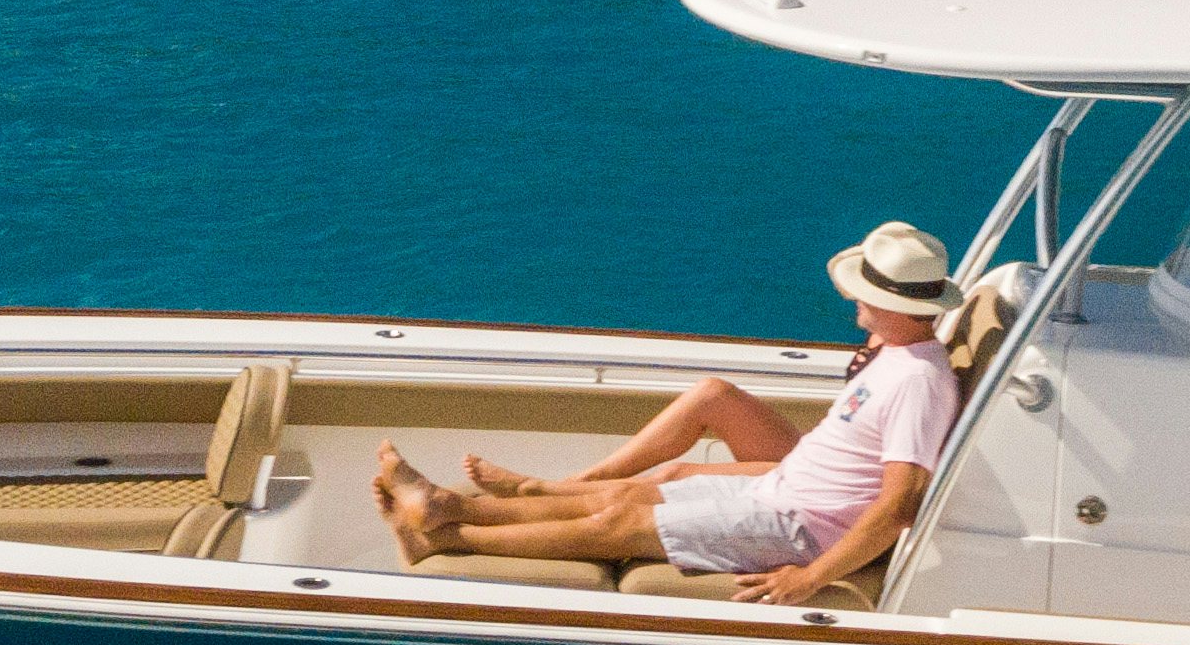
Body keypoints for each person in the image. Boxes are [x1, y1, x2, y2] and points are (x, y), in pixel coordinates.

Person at [374, 222, 969, 603]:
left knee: (619, 525)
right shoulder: (897, 352)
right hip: (785, 491)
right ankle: (449, 507)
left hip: (804, 526)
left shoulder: (917, 381)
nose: (851, 297)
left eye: (864, 291)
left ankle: (446, 536)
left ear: (892, 304)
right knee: (626, 495)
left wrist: (808, 578)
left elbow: (899, 505)